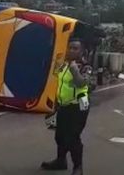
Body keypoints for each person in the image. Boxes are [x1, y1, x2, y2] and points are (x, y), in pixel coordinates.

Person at [41, 39, 91, 175]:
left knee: (73, 137)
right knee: (60, 135)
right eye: (70, 48)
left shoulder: (85, 67)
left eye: (76, 49)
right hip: (63, 105)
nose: (72, 51)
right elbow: (57, 81)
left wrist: (75, 70)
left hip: (78, 106)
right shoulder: (64, 65)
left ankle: (78, 167)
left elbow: (82, 83)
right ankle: (60, 160)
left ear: (82, 52)